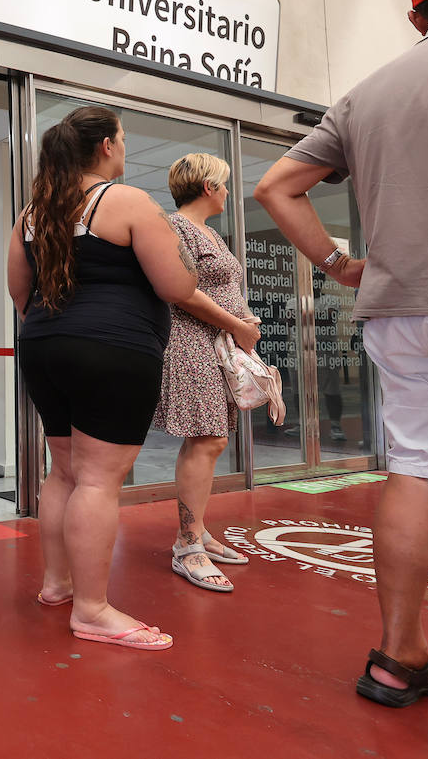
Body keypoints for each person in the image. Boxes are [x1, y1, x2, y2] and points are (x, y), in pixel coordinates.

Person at [254, 0, 428, 759]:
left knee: (415, 470)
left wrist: (338, 264)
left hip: (399, 311)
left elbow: (275, 186)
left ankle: (399, 655)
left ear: (417, 18)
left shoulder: (366, 93)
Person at [6, 106, 196, 650]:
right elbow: (175, 286)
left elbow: (20, 292)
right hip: (112, 350)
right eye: (123, 139)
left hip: (43, 346)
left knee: (63, 471)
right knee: (97, 479)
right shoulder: (126, 201)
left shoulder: (32, 214)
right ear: (107, 146)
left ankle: (56, 585)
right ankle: (91, 610)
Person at [152, 154, 260, 592]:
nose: (229, 192)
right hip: (192, 342)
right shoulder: (174, 227)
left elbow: (224, 286)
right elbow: (183, 292)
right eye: (225, 184)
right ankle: (187, 543)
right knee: (207, 437)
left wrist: (244, 322)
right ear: (208, 187)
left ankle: (197, 531)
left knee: (212, 440)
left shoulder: (209, 232)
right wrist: (236, 324)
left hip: (220, 345)